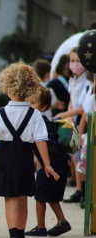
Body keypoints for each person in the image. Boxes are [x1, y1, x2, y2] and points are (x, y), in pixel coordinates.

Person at [0, 62, 59, 238]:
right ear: (30, 89)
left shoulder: (0, 113)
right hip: (25, 159)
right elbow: (41, 141)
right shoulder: (35, 114)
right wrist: (46, 164)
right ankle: (20, 233)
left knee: (10, 200)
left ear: (7, 87)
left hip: (6, 158)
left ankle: (14, 233)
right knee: (23, 200)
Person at [25, 88, 72, 237]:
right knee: (49, 195)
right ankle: (62, 222)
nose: (29, 106)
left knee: (40, 196)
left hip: (51, 165)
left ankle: (41, 227)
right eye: (27, 102)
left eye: (33, 103)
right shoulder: (45, 122)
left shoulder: (37, 122)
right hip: (59, 162)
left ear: (43, 107)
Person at [55, 48, 92, 207]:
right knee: (74, 156)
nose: (74, 64)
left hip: (83, 121)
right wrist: (68, 115)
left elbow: (83, 107)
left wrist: (64, 114)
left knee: (80, 156)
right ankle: (78, 189)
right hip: (74, 120)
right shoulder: (73, 80)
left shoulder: (88, 82)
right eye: (72, 61)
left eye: (78, 61)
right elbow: (72, 100)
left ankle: (82, 190)